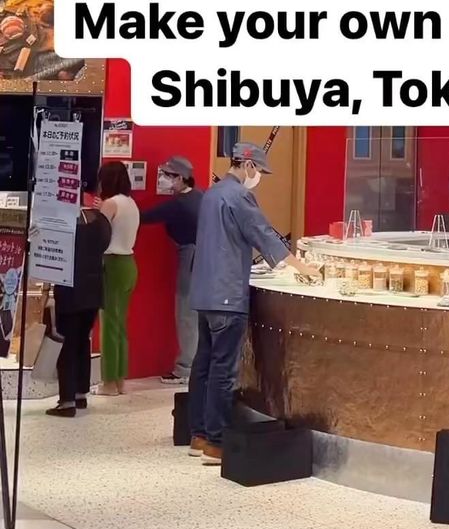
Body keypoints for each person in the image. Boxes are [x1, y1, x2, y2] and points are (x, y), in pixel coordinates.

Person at [188, 141, 304, 465]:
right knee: (223, 372)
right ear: (249, 166)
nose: (259, 178)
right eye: (260, 172)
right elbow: (264, 234)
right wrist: (303, 267)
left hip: (205, 291)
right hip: (227, 296)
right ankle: (215, 442)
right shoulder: (239, 196)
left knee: (204, 365)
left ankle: (197, 434)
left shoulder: (211, 193)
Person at [140, 155, 202, 385]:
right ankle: (195, 364)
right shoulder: (200, 197)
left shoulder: (179, 204)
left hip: (190, 257)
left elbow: (144, 217)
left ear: (181, 178)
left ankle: (185, 367)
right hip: (204, 259)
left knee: (185, 312)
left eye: (168, 175)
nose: (164, 179)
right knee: (196, 315)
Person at [46, 205, 111, 417]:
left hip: (69, 288)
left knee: (67, 344)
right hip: (94, 288)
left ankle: (67, 401)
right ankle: (81, 393)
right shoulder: (100, 219)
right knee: (83, 340)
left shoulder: (61, 220)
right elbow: (104, 245)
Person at [98, 160, 140, 396]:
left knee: (109, 325)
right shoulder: (131, 203)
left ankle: (109, 383)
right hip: (128, 264)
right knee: (120, 324)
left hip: (111, 264)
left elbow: (99, 236)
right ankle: (120, 380)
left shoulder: (110, 204)